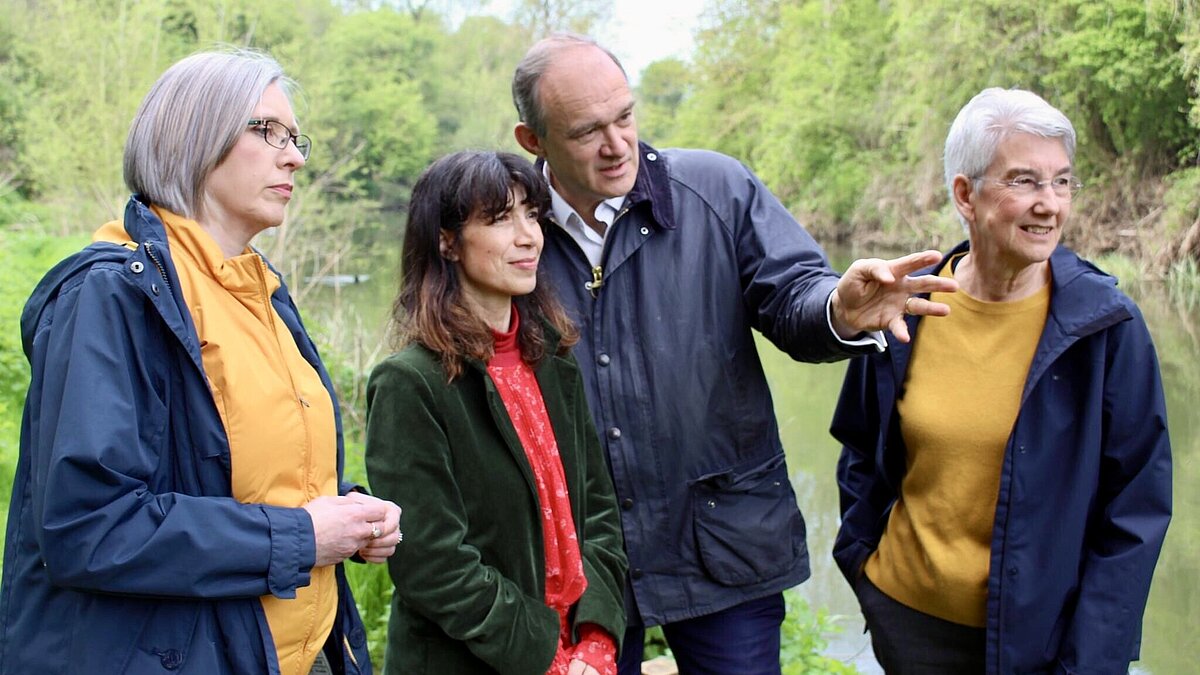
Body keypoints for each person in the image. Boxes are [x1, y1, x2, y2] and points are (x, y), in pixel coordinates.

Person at [510, 33, 958, 674]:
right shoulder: (508, 225)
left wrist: (838, 309)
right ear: (535, 142)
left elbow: (794, 298)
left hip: (724, 535)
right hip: (579, 553)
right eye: (587, 132)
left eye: (626, 117)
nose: (617, 146)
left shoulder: (716, 189)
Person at [0, 49, 402, 675]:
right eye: (268, 131)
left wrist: (347, 513)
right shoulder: (111, 295)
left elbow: (236, 480)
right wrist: (303, 535)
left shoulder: (262, 293)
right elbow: (90, 527)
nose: (293, 155)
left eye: (295, 138)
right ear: (193, 134)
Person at [831, 87, 1172, 674]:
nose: (1050, 204)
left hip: (1042, 640)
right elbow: (861, 446)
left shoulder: (1104, 327)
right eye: (1024, 181)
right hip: (908, 622)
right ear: (966, 193)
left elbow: (1135, 515)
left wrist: (1092, 659)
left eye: (1061, 182)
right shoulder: (907, 304)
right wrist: (864, 565)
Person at [363, 150, 628, 675]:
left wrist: (596, 639)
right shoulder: (410, 383)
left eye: (532, 214)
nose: (528, 236)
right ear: (446, 240)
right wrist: (546, 658)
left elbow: (598, 512)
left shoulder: (552, 361)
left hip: (578, 655)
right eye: (500, 218)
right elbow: (433, 563)